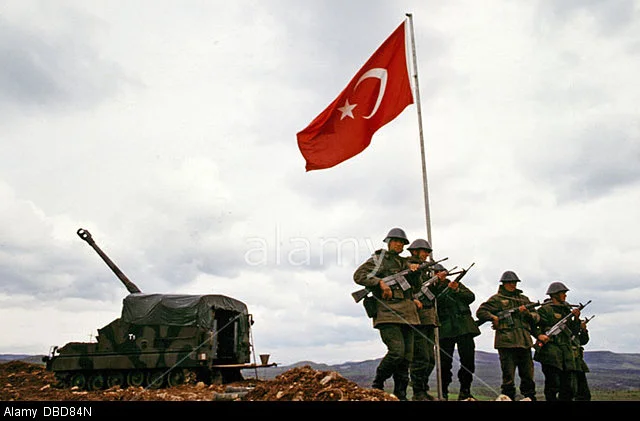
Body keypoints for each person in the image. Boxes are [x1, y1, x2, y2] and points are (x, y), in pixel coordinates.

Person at [353, 227, 420, 400]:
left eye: (402, 243)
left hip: (408, 314)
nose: (399, 245)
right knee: (396, 352)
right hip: (388, 312)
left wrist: (415, 273)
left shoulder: (405, 263)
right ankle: (378, 382)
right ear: (389, 242)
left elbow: (416, 288)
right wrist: (379, 282)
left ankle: (401, 393)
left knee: (407, 357)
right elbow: (359, 275)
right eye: (396, 241)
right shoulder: (379, 259)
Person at [476, 270, 540, 401]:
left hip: (524, 341)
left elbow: (536, 317)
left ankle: (529, 397)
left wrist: (527, 313)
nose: (513, 285)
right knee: (508, 375)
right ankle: (508, 397)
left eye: (514, 283)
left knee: (528, 374)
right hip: (506, 342)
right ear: (503, 284)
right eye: (510, 283)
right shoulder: (497, 299)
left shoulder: (523, 299)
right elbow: (481, 312)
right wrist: (493, 317)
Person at [430, 263, 480, 400]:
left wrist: (456, 289)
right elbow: (434, 302)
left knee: (468, 360)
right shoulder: (431, 288)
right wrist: (442, 288)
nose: (440, 275)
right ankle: (444, 391)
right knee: (445, 362)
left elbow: (470, 297)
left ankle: (465, 390)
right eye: (436, 273)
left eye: (441, 272)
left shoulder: (456, 284)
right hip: (445, 328)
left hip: (464, 327)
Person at [534, 281, 582, 401]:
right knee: (552, 385)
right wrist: (539, 335)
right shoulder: (544, 310)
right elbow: (534, 325)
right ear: (555, 294)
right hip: (551, 353)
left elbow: (574, 332)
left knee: (568, 387)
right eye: (562, 293)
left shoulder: (566, 310)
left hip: (566, 353)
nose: (565, 295)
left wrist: (576, 318)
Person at [406, 238, 438, 401]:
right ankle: (418, 392)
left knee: (430, 359)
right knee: (421, 357)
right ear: (415, 251)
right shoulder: (406, 266)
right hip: (417, 318)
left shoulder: (426, 269)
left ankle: (423, 389)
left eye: (427, 252)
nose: (426, 254)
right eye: (424, 251)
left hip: (428, 318)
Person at [572, 316, 592, 401]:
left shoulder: (574, 330)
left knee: (583, 393)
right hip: (568, 362)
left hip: (577, 362)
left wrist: (583, 330)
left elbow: (583, 341)